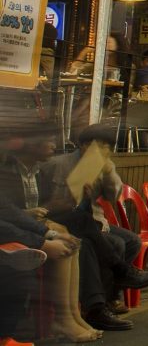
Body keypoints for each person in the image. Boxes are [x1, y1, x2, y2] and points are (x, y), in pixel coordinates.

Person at [39, 124, 148, 331]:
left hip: (93, 219)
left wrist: (107, 171)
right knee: (115, 244)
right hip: (63, 219)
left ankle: (111, 294)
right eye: (99, 145)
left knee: (132, 241)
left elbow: (113, 196)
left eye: (108, 146)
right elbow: (46, 203)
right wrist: (68, 198)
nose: (104, 150)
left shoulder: (105, 165)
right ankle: (101, 303)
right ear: (84, 145)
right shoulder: (58, 164)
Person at [0, 123, 100, 342]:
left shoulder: (34, 170)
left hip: (21, 230)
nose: (55, 145)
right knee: (17, 270)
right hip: (12, 235)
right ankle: (66, 317)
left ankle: (70, 315)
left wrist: (48, 234)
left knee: (71, 237)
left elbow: (8, 211)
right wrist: (42, 241)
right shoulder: (8, 171)